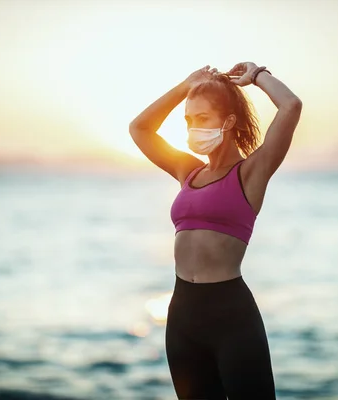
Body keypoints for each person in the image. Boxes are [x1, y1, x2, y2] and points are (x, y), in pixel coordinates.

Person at [129, 62, 302, 399]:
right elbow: (140, 129)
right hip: (181, 318)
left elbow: (291, 106)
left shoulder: (251, 173)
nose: (193, 128)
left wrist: (256, 76)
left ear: (229, 121)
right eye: (189, 121)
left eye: (202, 118)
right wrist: (185, 86)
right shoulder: (188, 172)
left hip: (231, 319)